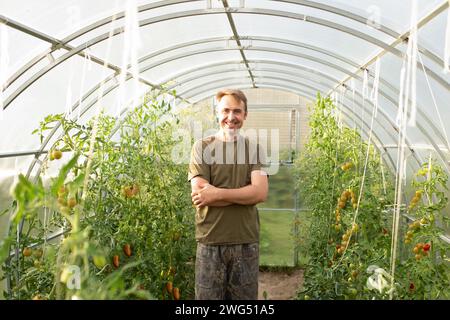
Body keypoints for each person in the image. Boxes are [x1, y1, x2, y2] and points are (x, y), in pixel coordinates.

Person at [188, 89, 269, 300]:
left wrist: (216, 194)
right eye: (225, 110)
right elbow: (200, 193)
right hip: (210, 241)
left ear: (245, 115)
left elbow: (260, 192)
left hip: (246, 242)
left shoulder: (255, 149)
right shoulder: (202, 147)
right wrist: (243, 194)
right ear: (217, 113)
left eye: (237, 111)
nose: (231, 117)